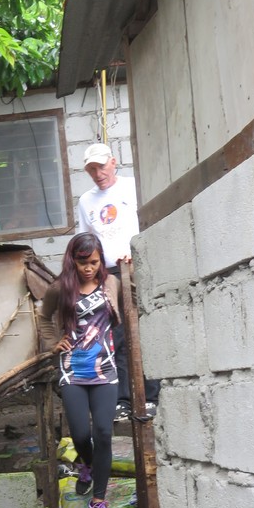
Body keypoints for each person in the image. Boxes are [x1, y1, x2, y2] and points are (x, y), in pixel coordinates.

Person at [38, 232, 122, 508]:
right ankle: (87, 465)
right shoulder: (60, 288)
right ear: (72, 260)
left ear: (101, 261)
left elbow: (134, 297)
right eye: (83, 262)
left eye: (94, 262)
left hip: (105, 370)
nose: (89, 268)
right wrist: (53, 343)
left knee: (103, 432)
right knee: (80, 433)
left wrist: (130, 264)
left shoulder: (112, 283)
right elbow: (44, 317)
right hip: (72, 370)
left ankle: (99, 501)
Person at [78, 142, 160, 421]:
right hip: (108, 274)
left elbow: (150, 220)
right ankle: (123, 400)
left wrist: (138, 249)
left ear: (113, 162)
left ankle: (151, 397)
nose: (98, 173)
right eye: (91, 169)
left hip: (138, 266)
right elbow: (87, 240)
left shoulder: (133, 187)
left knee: (145, 331)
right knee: (117, 335)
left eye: (101, 166)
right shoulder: (86, 201)